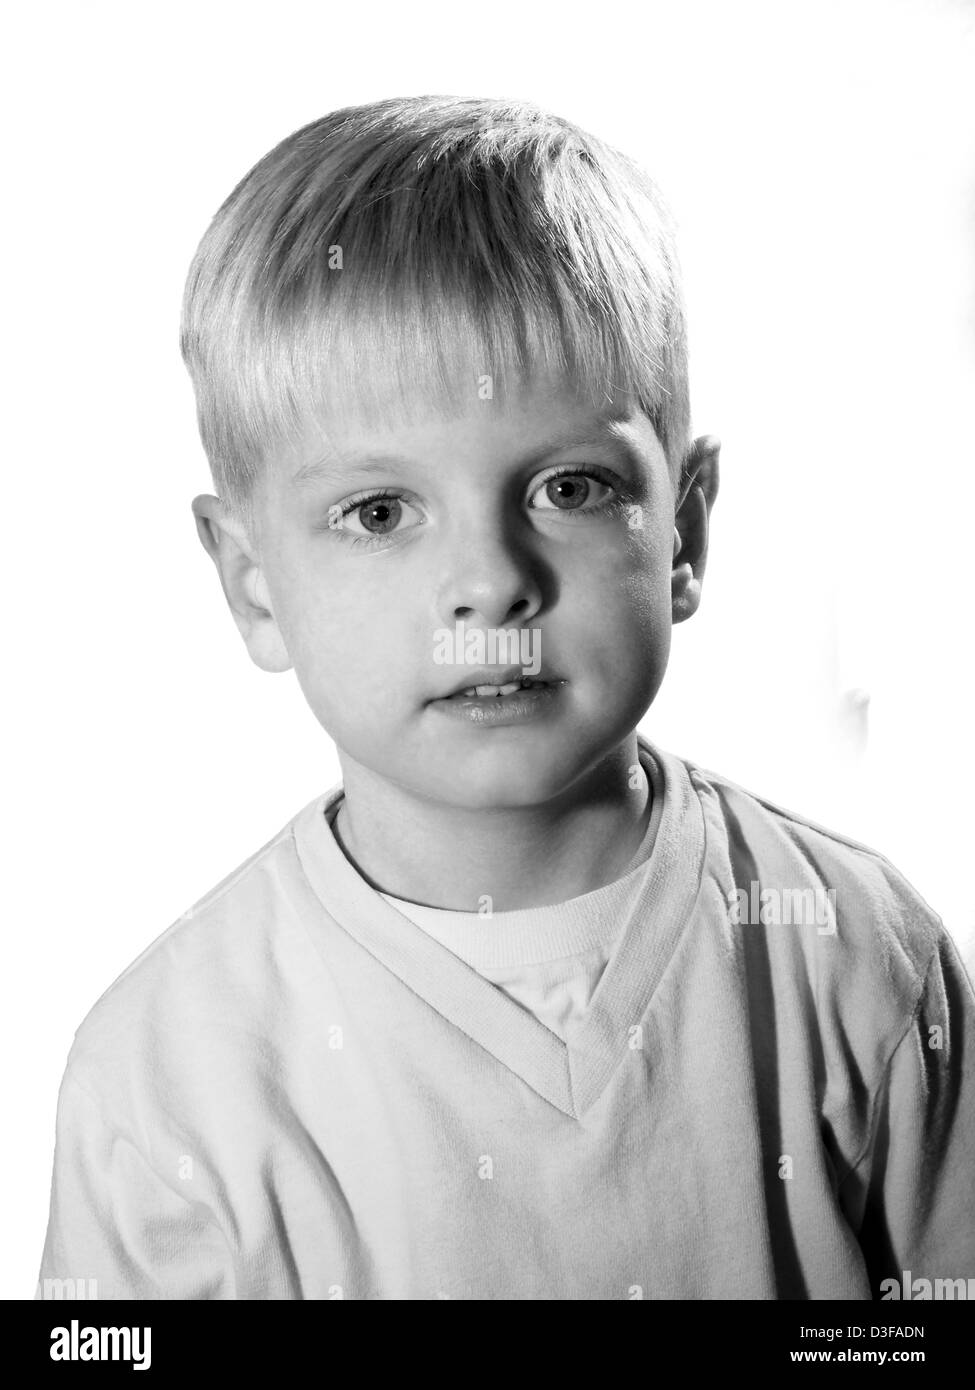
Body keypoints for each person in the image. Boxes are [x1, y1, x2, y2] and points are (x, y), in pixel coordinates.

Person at [36, 95, 975, 1300]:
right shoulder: (165, 1075)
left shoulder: (859, 957)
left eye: (570, 488)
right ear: (253, 582)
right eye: (380, 513)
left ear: (683, 529)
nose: (488, 583)